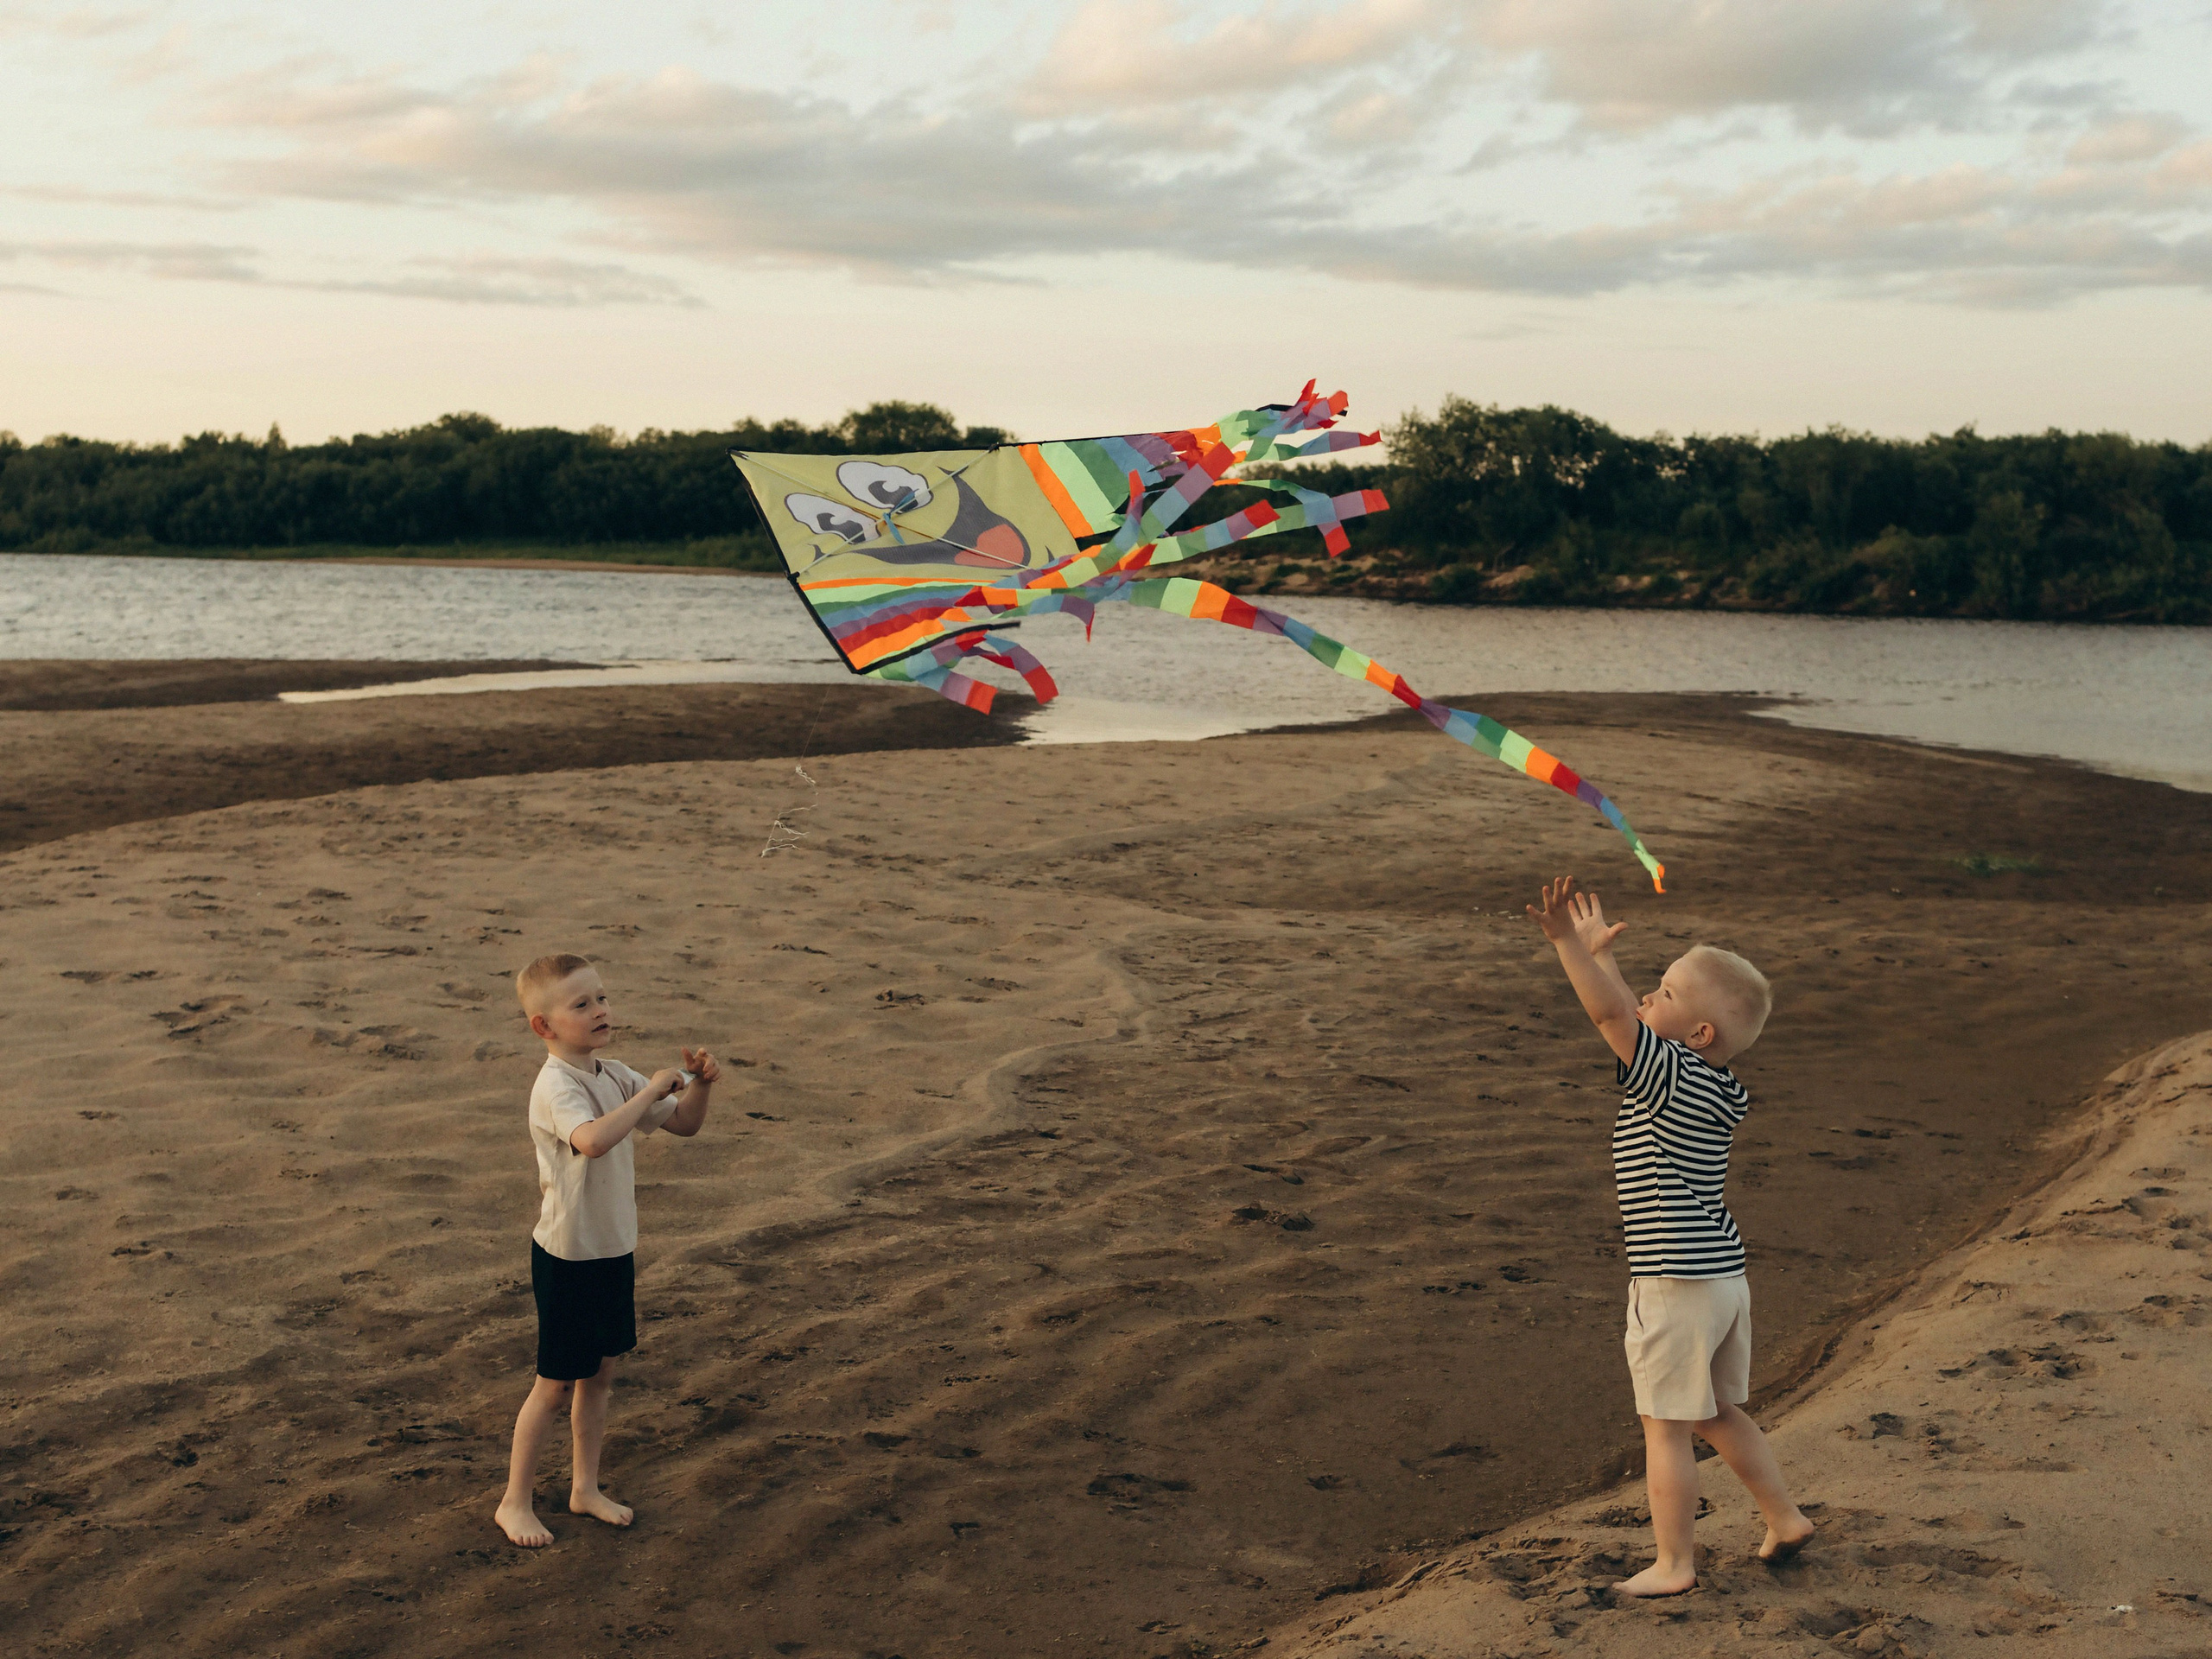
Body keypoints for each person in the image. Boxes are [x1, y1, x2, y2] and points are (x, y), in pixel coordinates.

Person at [1527, 875, 1813, 1597]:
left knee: (1664, 1427)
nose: (1648, 997)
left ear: (1699, 1036)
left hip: (1676, 1280)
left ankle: (1675, 1564)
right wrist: (1605, 958)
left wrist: (1569, 947)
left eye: (1667, 991)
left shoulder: (1666, 1076)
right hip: (1721, 1277)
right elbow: (1631, 1011)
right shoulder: (1715, 1084)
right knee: (1717, 1411)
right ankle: (1784, 1517)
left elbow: (1608, 1014)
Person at [494, 952, 722, 1549]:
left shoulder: (613, 1073)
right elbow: (592, 1141)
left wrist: (697, 1086)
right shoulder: (555, 1086)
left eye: (601, 997)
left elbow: (685, 1126)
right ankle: (514, 1501)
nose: (600, 1010)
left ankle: (585, 1488)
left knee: (600, 1374)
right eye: (581, 1004)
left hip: (612, 1247)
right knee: (554, 1383)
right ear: (544, 1027)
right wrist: (649, 1090)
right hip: (568, 1256)